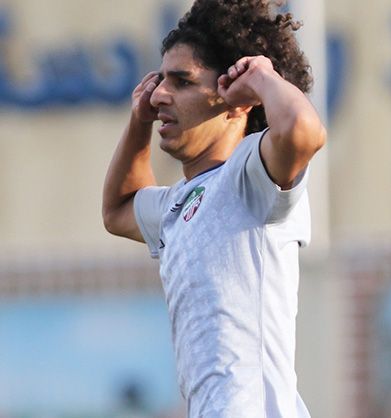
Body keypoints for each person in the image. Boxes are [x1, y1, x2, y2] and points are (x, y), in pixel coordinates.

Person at [101, 0, 325, 416]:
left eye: (182, 81)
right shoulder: (177, 203)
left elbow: (303, 131)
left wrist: (262, 77)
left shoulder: (251, 176)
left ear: (236, 101)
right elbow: (118, 209)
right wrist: (138, 123)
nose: (159, 94)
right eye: (160, 81)